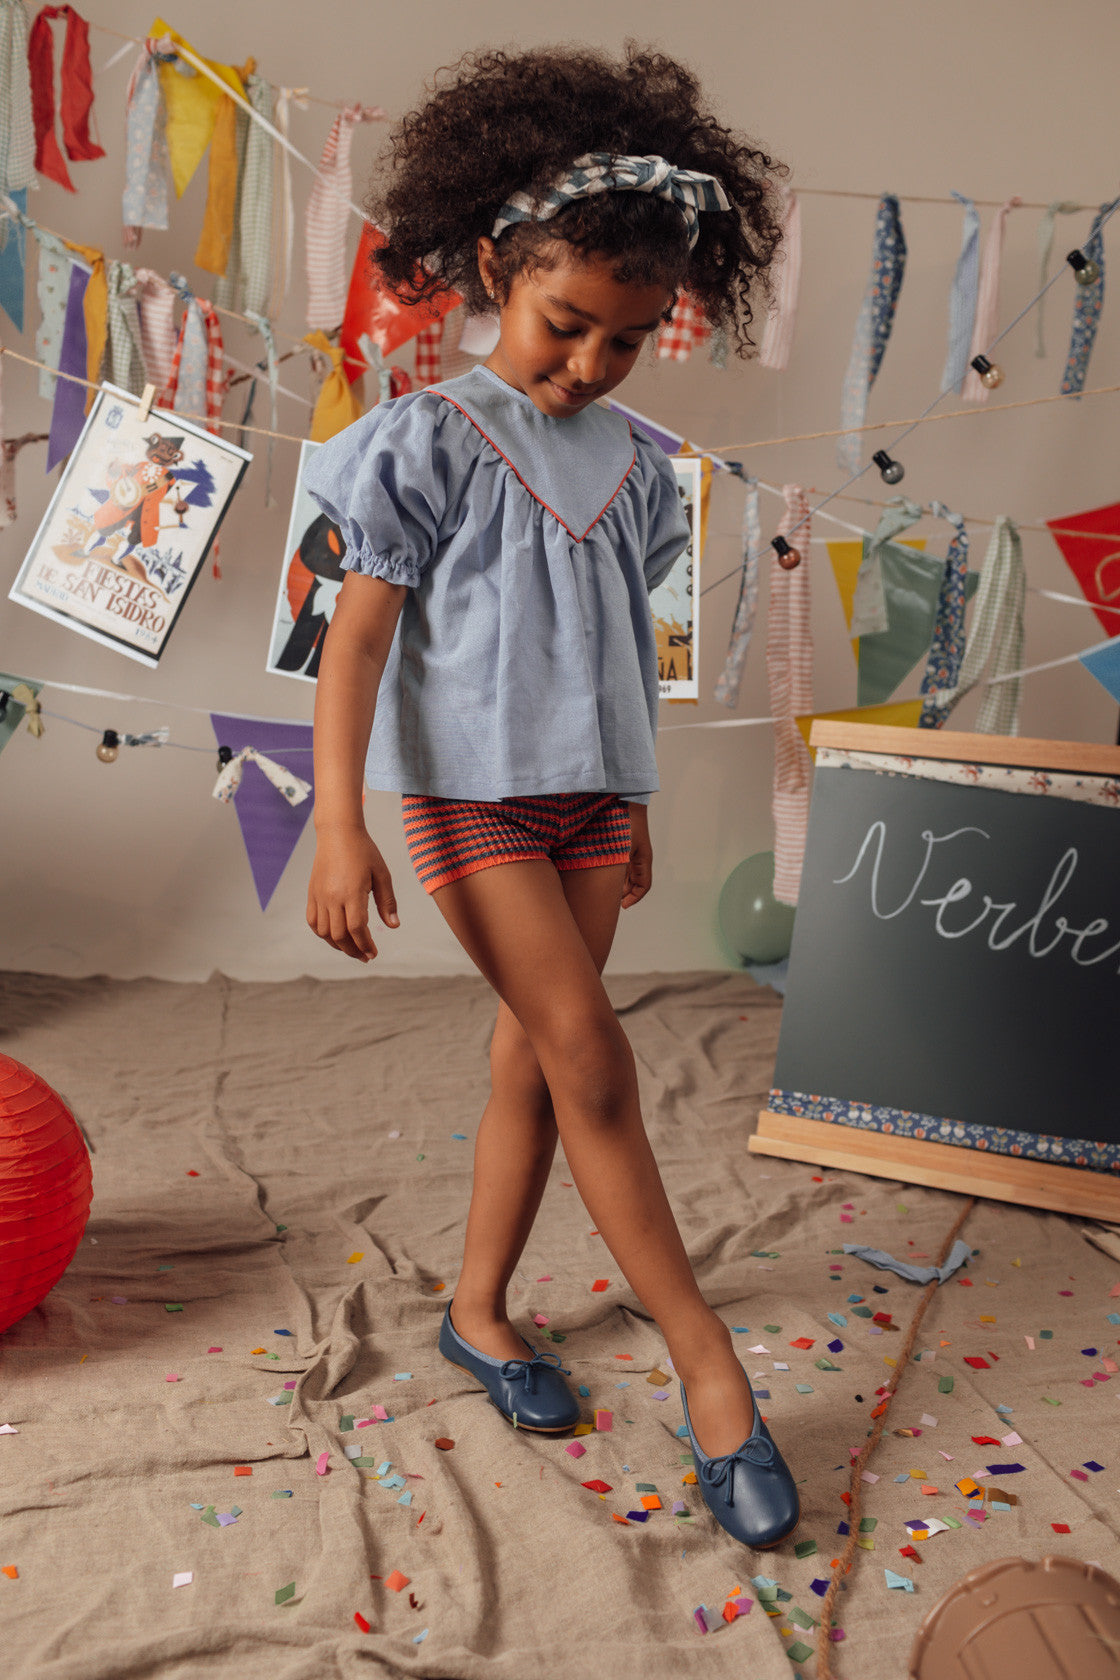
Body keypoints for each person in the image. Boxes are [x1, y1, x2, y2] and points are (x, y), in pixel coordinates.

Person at [304, 42, 799, 1551]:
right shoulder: (423, 441)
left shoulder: (640, 472)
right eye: (563, 325)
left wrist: (636, 800)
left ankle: (477, 1313)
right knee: (593, 1054)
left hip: (593, 804)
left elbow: (617, 651)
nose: (586, 365)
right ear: (493, 274)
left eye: (628, 341)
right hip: (473, 801)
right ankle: (712, 1371)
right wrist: (337, 820)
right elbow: (359, 639)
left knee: (534, 1057)